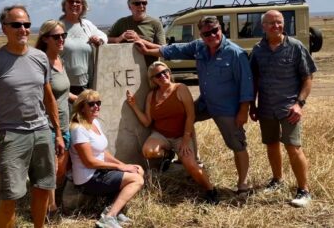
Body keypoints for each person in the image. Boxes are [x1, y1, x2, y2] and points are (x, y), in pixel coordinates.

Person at [134, 16, 254, 194]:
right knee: (184, 119)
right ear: (201, 34)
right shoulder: (199, 46)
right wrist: (144, 47)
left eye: (215, 31)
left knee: (237, 144)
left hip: (227, 108)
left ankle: (242, 183)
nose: (212, 35)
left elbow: (247, 84)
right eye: (207, 33)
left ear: (221, 29)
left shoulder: (235, 53)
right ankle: (189, 157)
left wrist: (244, 110)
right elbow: (171, 50)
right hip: (206, 103)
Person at [0, 5, 65, 228]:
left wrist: (58, 133)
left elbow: (48, 97)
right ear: (4, 28)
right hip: (12, 136)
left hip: (42, 132)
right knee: (10, 197)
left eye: (26, 24)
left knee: (43, 188)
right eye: (16, 25)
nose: (23, 29)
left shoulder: (40, 58)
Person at [249, 10, 317, 207]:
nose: (275, 26)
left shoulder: (295, 47)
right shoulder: (258, 49)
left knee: (293, 147)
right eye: (271, 23)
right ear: (263, 26)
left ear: (283, 24)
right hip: (266, 108)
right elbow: (254, 79)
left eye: (279, 22)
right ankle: (277, 180)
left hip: (289, 108)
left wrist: (299, 104)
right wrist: (252, 105)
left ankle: (304, 190)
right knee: (271, 144)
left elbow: (308, 78)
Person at [126, 61, 218, 204]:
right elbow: (147, 122)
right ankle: (168, 154)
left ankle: (211, 190)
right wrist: (133, 105)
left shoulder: (180, 88)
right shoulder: (152, 95)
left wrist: (186, 140)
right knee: (148, 151)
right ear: (153, 80)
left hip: (182, 135)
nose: (163, 76)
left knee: (191, 165)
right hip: (161, 135)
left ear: (169, 72)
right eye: (158, 75)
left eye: (165, 71)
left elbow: (191, 116)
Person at [69, 89, 144, 228]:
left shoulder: (94, 122)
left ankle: (113, 209)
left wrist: (123, 165)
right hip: (88, 178)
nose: (96, 106)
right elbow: (89, 162)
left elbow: (102, 152)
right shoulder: (78, 129)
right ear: (82, 108)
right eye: (91, 104)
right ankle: (108, 218)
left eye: (98, 102)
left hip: (99, 172)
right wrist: (119, 167)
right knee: (137, 179)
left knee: (138, 170)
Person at [35, 19, 78, 215]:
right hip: (49, 125)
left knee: (60, 169)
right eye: (56, 36)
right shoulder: (41, 64)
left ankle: (47, 201)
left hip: (64, 122)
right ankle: (49, 209)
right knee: (51, 170)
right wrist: (57, 130)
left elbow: (62, 92)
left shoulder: (61, 60)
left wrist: (82, 99)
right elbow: (47, 97)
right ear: (45, 39)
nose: (61, 39)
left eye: (63, 35)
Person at [60, 0, 108, 96]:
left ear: (83, 6)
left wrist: (98, 40)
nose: (74, 4)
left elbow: (104, 37)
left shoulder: (87, 25)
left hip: (85, 85)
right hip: (63, 85)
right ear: (64, 5)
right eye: (71, 1)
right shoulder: (58, 26)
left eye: (78, 2)